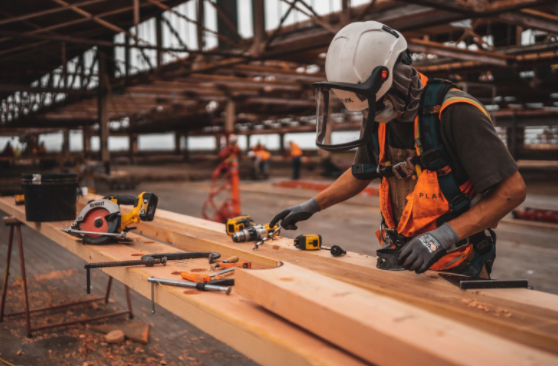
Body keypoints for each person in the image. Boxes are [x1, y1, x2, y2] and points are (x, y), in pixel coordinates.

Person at [270, 21, 526, 279]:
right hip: (401, 257)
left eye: (378, 102)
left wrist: (441, 237)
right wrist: (312, 205)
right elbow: (361, 172)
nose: (374, 111)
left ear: (397, 76)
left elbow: (512, 191)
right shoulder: (378, 115)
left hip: (457, 263)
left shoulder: (455, 112)